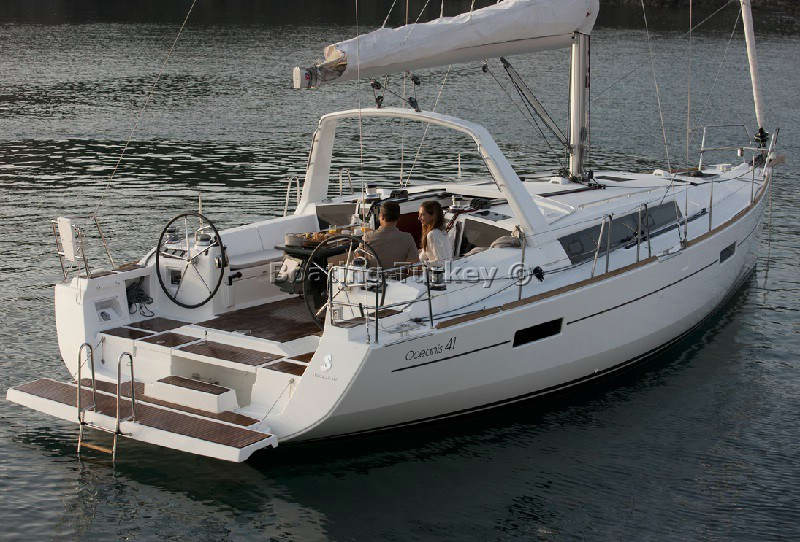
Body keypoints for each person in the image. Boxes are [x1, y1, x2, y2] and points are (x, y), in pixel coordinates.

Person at [362, 201, 419, 268]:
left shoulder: (367, 237)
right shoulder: (408, 238)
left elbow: (359, 258)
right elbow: (414, 263)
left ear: (381, 217)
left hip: (374, 274)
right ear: (398, 218)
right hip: (399, 274)